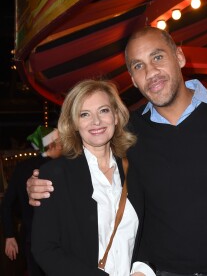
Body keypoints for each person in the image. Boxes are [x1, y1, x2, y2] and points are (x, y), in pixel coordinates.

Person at [27, 27, 207, 276]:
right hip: (163, 271)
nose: (151, 72)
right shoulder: (130, 132)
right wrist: (39, 181)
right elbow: (86, 157)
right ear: (133, 79)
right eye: (138, 66)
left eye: (157, 57)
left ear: (179, 57)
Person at [30, 79, 155, 276]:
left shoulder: (135, 169)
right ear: (74, 124)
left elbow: (149, 229)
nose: (96, 121)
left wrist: (142, 269)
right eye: (84, 114)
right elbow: (44, 249)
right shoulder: (55, 176)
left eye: (103, 110)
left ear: (115, 116)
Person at [1, 125, 61, 276]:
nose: (64, 145)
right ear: (52, 144)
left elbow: (6, 204)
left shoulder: (22, 167)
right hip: (59, 241)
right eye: (61, 142)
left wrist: (9, 235)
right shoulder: (61, 167)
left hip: (32, 239)